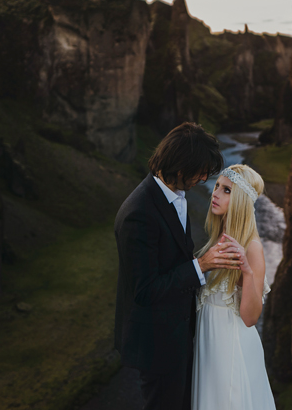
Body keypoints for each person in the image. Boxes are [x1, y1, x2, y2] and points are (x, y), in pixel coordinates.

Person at [114, 122, 241, 410]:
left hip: (179, 335)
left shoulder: (174, 195)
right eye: (201, 171)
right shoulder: (139, 214)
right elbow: (145, 291)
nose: (205, 178)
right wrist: (201, 265)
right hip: (157, 345)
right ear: (180, 167)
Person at [192, 164, 275, 410]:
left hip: (231, 348)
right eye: (216, 186)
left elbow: (250, 318)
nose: (215, 194)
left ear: (240, 199)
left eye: (226, 190)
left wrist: (247, 271)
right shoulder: (215, 239)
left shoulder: (252, 247)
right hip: (208, 346)